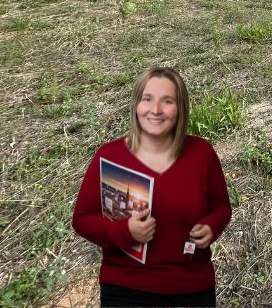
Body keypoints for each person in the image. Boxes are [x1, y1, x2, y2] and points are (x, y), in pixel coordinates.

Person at [72, 67, 232, 307]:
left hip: (191, 286)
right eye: (147, 99)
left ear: (180, 108)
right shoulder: (110, 156)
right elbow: (82, 219)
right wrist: (123, 232)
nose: (155, 110)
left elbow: (222, 207)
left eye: (167, 101)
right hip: (126, 287)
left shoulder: (202, 154)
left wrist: (212, 225)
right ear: (136, 105)